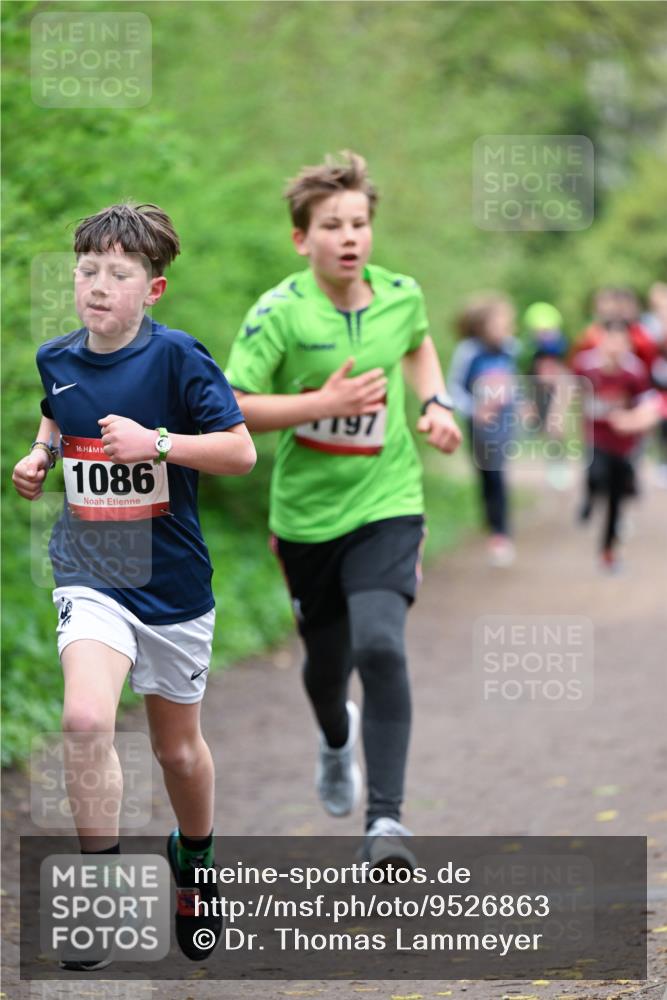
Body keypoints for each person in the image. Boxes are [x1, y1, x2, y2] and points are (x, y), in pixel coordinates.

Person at [12, 203, 256, 968]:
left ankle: (195, 860)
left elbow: (240, 452)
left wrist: (158, 443)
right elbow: (59, 412)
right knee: (85, 720)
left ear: (152, 290)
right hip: (90, 572)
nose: (97, 285)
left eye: (118, 274)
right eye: (87, 270)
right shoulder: (56, 356)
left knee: (176, 752)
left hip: (172, 584)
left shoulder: (179, 357)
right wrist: (41, 454)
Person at [224, 151, 461, 868]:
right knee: (327, 669)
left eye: (359, 223)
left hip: (388, 501)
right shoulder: (279, 313)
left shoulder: (400, 295)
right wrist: (322, 404)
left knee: (382, 645)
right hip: (306, 519)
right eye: (332, 225)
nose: (349, 237)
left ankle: (385, 822)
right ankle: (335, 738)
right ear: (302, 239)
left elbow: (417, 344)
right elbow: (232, 405)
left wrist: (435, 402)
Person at [571, 318, 654, 571]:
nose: (615, 347)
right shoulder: (585, 365)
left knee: (617, 497)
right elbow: (569, 392)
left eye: (621, 341)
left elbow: (648, 405)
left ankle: (608, 552)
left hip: (624, 444)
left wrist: (632, 420)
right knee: (596, 474)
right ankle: (589, 497)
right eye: (611, 340)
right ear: (601, 340)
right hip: (596, 438)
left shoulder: (635, 371)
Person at [447, 293, 518, 567]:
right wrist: (475, 410)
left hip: (504, 424)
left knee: (498, 474)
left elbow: (516, 381)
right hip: (479, 427)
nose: (506, 329)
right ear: (482, 325)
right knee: (487, 476)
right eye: (500, 323)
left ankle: (501, 533)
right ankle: (491, 522)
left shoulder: (511, 348)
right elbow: (454, 389)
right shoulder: (468, 352)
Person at [520, 301, 572, 490]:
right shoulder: (527, 349)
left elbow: (564, 377)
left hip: (556, 389)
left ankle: (558, 465)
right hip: (535, 390)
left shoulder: (560, 347)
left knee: (556, 427)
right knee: (534, 425)